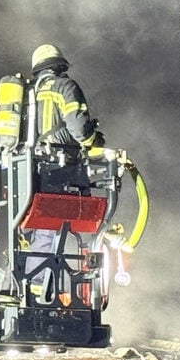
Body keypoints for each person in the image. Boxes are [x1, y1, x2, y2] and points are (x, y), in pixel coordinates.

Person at [26, 44, 105, 293]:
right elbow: (78, 127)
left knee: (42, 230)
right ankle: (50, 289)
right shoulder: (64, 86)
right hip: (61, 167)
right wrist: (94, 142)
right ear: (60, 65)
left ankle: (36, 286)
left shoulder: (27, 94)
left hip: (29, 170)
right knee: (63, 228)